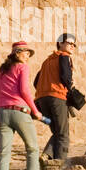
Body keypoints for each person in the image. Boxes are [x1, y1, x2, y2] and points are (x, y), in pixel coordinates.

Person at [0, 40, 44, 170]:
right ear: (17, 53)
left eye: (29, 54)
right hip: (19, 112)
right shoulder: (22, 67)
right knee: (32, 147)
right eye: (25, 53)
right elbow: (25, 91)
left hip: (2, 113)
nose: (27, 56)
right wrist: (36, 111)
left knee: (4, 152)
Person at [34, 32, 76, 161]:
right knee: (63, 133)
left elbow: (36, 81)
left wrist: (45, 90)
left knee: (58, 132)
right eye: (69, 43)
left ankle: (47, 155)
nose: (72, 46)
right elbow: (65, 77)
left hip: (42, 100)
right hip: (57, 97)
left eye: (74, 44)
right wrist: (70, 86)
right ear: (60, 43)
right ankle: (60, 164)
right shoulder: (64, 57)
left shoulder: (47, 61)